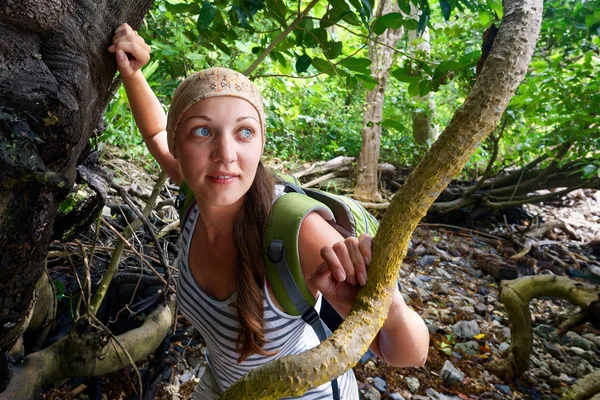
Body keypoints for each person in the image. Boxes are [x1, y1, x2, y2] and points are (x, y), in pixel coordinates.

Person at [108, 23, 429, 400]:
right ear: (179, 145)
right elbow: (156, 134)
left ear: (261, 143)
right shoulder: (196, 195)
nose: (225, 154)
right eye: (202, 132)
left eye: (244, 132)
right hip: (225, 386)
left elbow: (410, 355)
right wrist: (131, 72)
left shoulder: (297, 232)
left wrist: (388, 304)